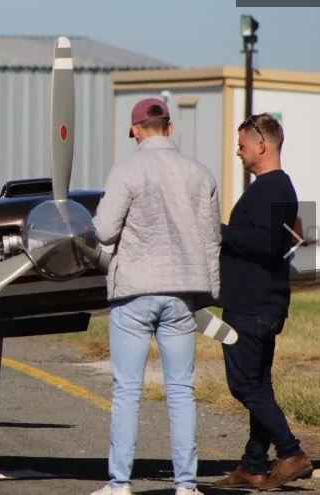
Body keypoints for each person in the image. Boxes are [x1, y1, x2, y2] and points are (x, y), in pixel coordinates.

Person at [91, 98, 220, 495]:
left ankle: (120, 483)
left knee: (127, 389)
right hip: (182, 294)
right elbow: (211, 239)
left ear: (135, 129)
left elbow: (105, 231)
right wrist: (209, 292)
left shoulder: (127, 170)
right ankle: (186, 485)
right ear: (170, 126)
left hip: (134, 290)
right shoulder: (200, 174)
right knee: (181, 390)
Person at [213, 114, 313, 490]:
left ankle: (291, 452)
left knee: (243, 384)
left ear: (261, 144)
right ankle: (253, 465)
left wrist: (221, 232)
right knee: (258, 383)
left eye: (241, 144)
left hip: (252, 305)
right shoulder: (275, 189)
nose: (238, 151)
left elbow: (269, 243)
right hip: (262, 303)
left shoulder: (272, 189)